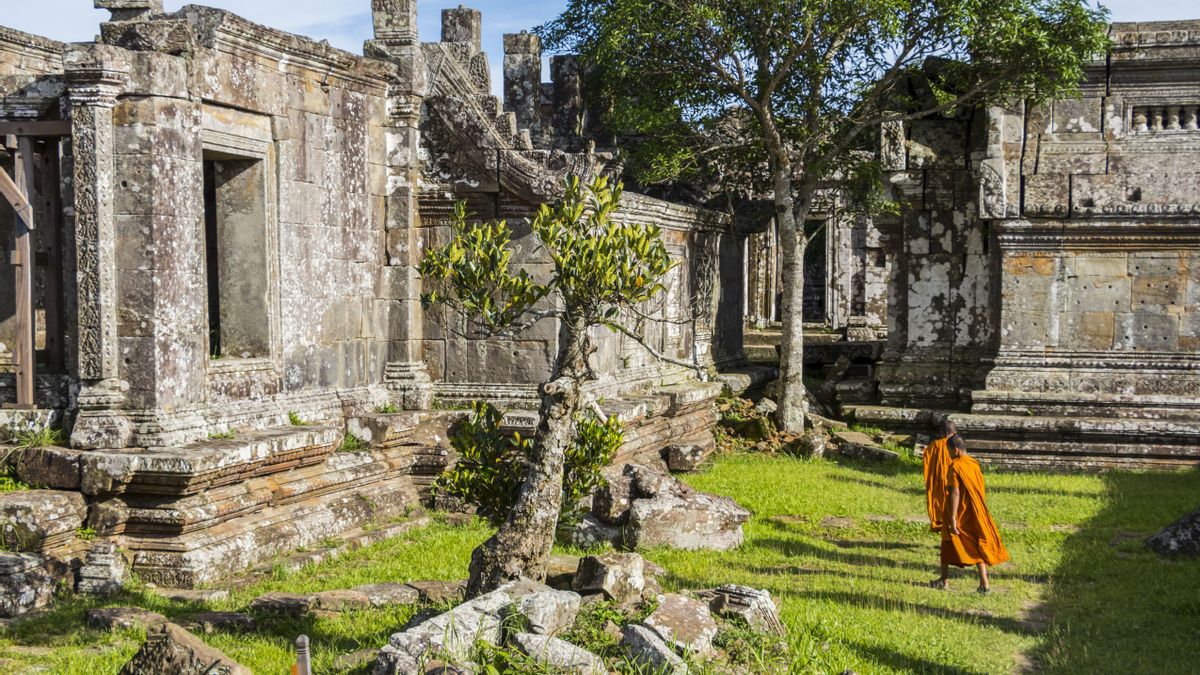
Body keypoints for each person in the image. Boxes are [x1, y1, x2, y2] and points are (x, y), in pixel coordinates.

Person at [932, 435, 1010, 593]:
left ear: (955, 450)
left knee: (954, 543)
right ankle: (978, 583)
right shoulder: (974, 464)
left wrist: (953, 517)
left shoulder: (956, 466)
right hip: (974, 512)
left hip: (959, 513)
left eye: (948, 452)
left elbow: (955, 492)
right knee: (967, 544)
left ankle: (950, 581)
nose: (948, 455)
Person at [922, 419, 957, 532]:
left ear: (941, 433)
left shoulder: (935, 445)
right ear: (954, 432)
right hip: (954, 482)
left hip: (939, 483)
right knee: (954, 505)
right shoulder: (957, 445)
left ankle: (940, 521)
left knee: (940, 503)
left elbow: (926, 457)